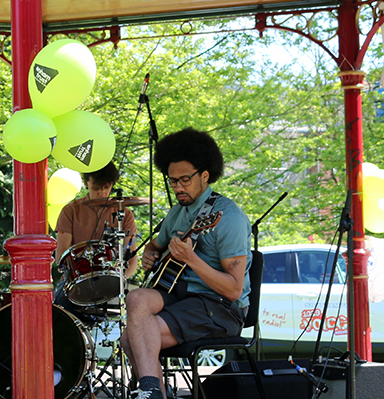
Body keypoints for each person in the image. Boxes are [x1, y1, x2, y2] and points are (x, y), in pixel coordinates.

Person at [120, 128, 252, 399]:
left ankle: (151, 391)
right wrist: (149, 254)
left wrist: (191, 258)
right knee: (136, 299)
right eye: (172, 181)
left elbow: (234, 290)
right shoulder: (178, 213)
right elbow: (157, 245)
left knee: (131, 337)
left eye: (185, 180)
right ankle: (154, 391)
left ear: (205, 175)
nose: (178, 187)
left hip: (219, 306)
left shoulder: (227, 218)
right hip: (180, 297)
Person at [53, 162, 138, 314]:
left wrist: (119, 281)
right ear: (86, 183)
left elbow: (132, 258)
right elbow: (61, 256)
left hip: (113, 281)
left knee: (138, 302)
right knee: (59, 308)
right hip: (76, 283)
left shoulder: (124, 214)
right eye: (96, 188)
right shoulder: (70, 211)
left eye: (106, 187)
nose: (102, 193)